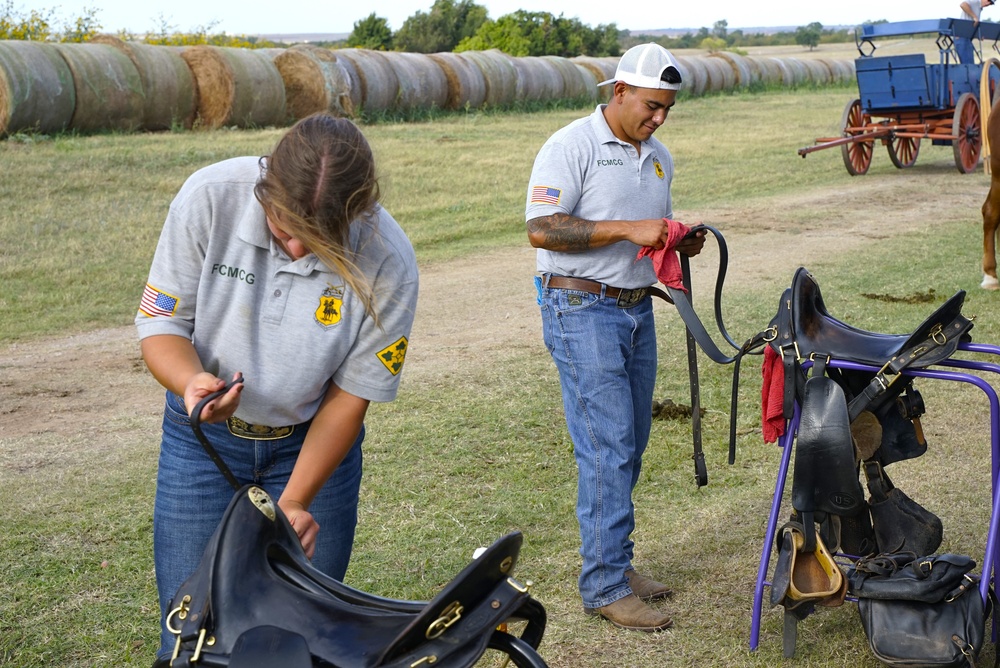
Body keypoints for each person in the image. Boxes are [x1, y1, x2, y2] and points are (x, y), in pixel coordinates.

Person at [135, 113, 419, 658]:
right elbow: (162, 323)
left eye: (318, 240)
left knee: (300, 632)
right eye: (284, 228)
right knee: (189, 625)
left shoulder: (389, 259)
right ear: (266, 189)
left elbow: (349, 397)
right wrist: (191, 380)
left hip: (309, 450)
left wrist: (295, 503)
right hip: (202, 446)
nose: (295, 250)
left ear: (357, 214)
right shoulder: (209, 197)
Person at [524, 42, 705, 633]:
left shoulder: (658, 158)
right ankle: (602, 585)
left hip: (634, 310)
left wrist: (675, 239)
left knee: (631, 442)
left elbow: (649, 231)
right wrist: (632, 228)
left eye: (667, 109)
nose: (658, 118)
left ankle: (617, 566)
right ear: (619, 91)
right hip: (581, 307)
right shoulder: (570, 145)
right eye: (651, 106)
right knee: (607, 446)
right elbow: (542, 229)